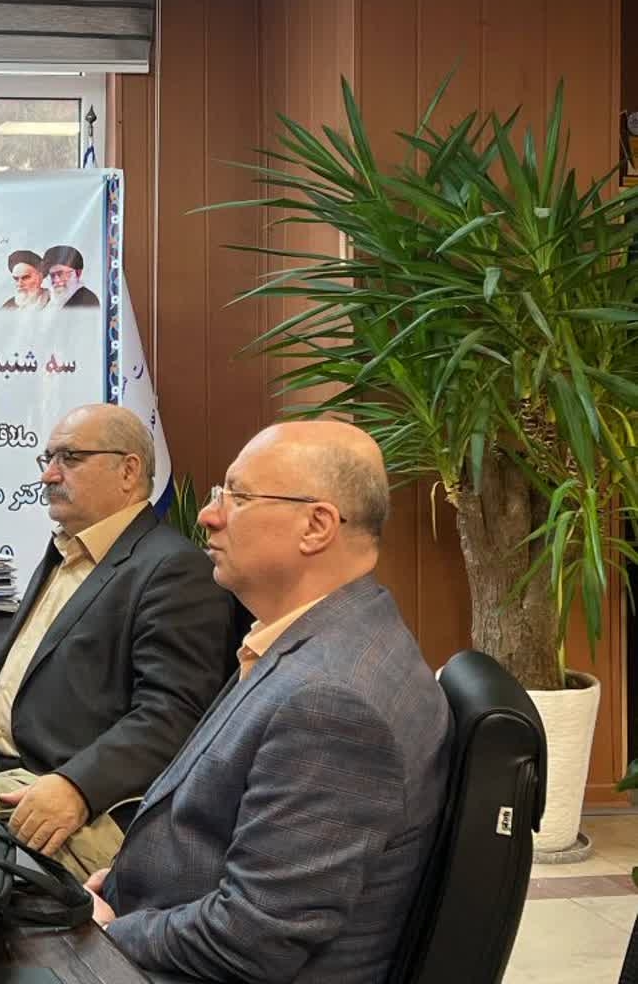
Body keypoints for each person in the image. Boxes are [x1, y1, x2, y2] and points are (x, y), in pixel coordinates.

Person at [86, 420, 452, 984]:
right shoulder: (329, 634)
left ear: (316, 526)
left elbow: (255, 937)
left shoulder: (331, 702)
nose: (209, 516)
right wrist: (121, 884)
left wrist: (114, 932)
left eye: (237, 496)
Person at [0, 404, 231, 880]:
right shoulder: (68, 550)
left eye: (70, 458)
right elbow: (55, 670)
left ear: (128, 470)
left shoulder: (173, 570)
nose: (48, 475)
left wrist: (78, 786)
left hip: (67, 804)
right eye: (47, 458)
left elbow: (173, 716)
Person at [43, 244, 99, 308]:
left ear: (78, 273)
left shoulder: (87, 301)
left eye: (61, 274)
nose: (56, 280)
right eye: (52, 275)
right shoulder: (55, 300)